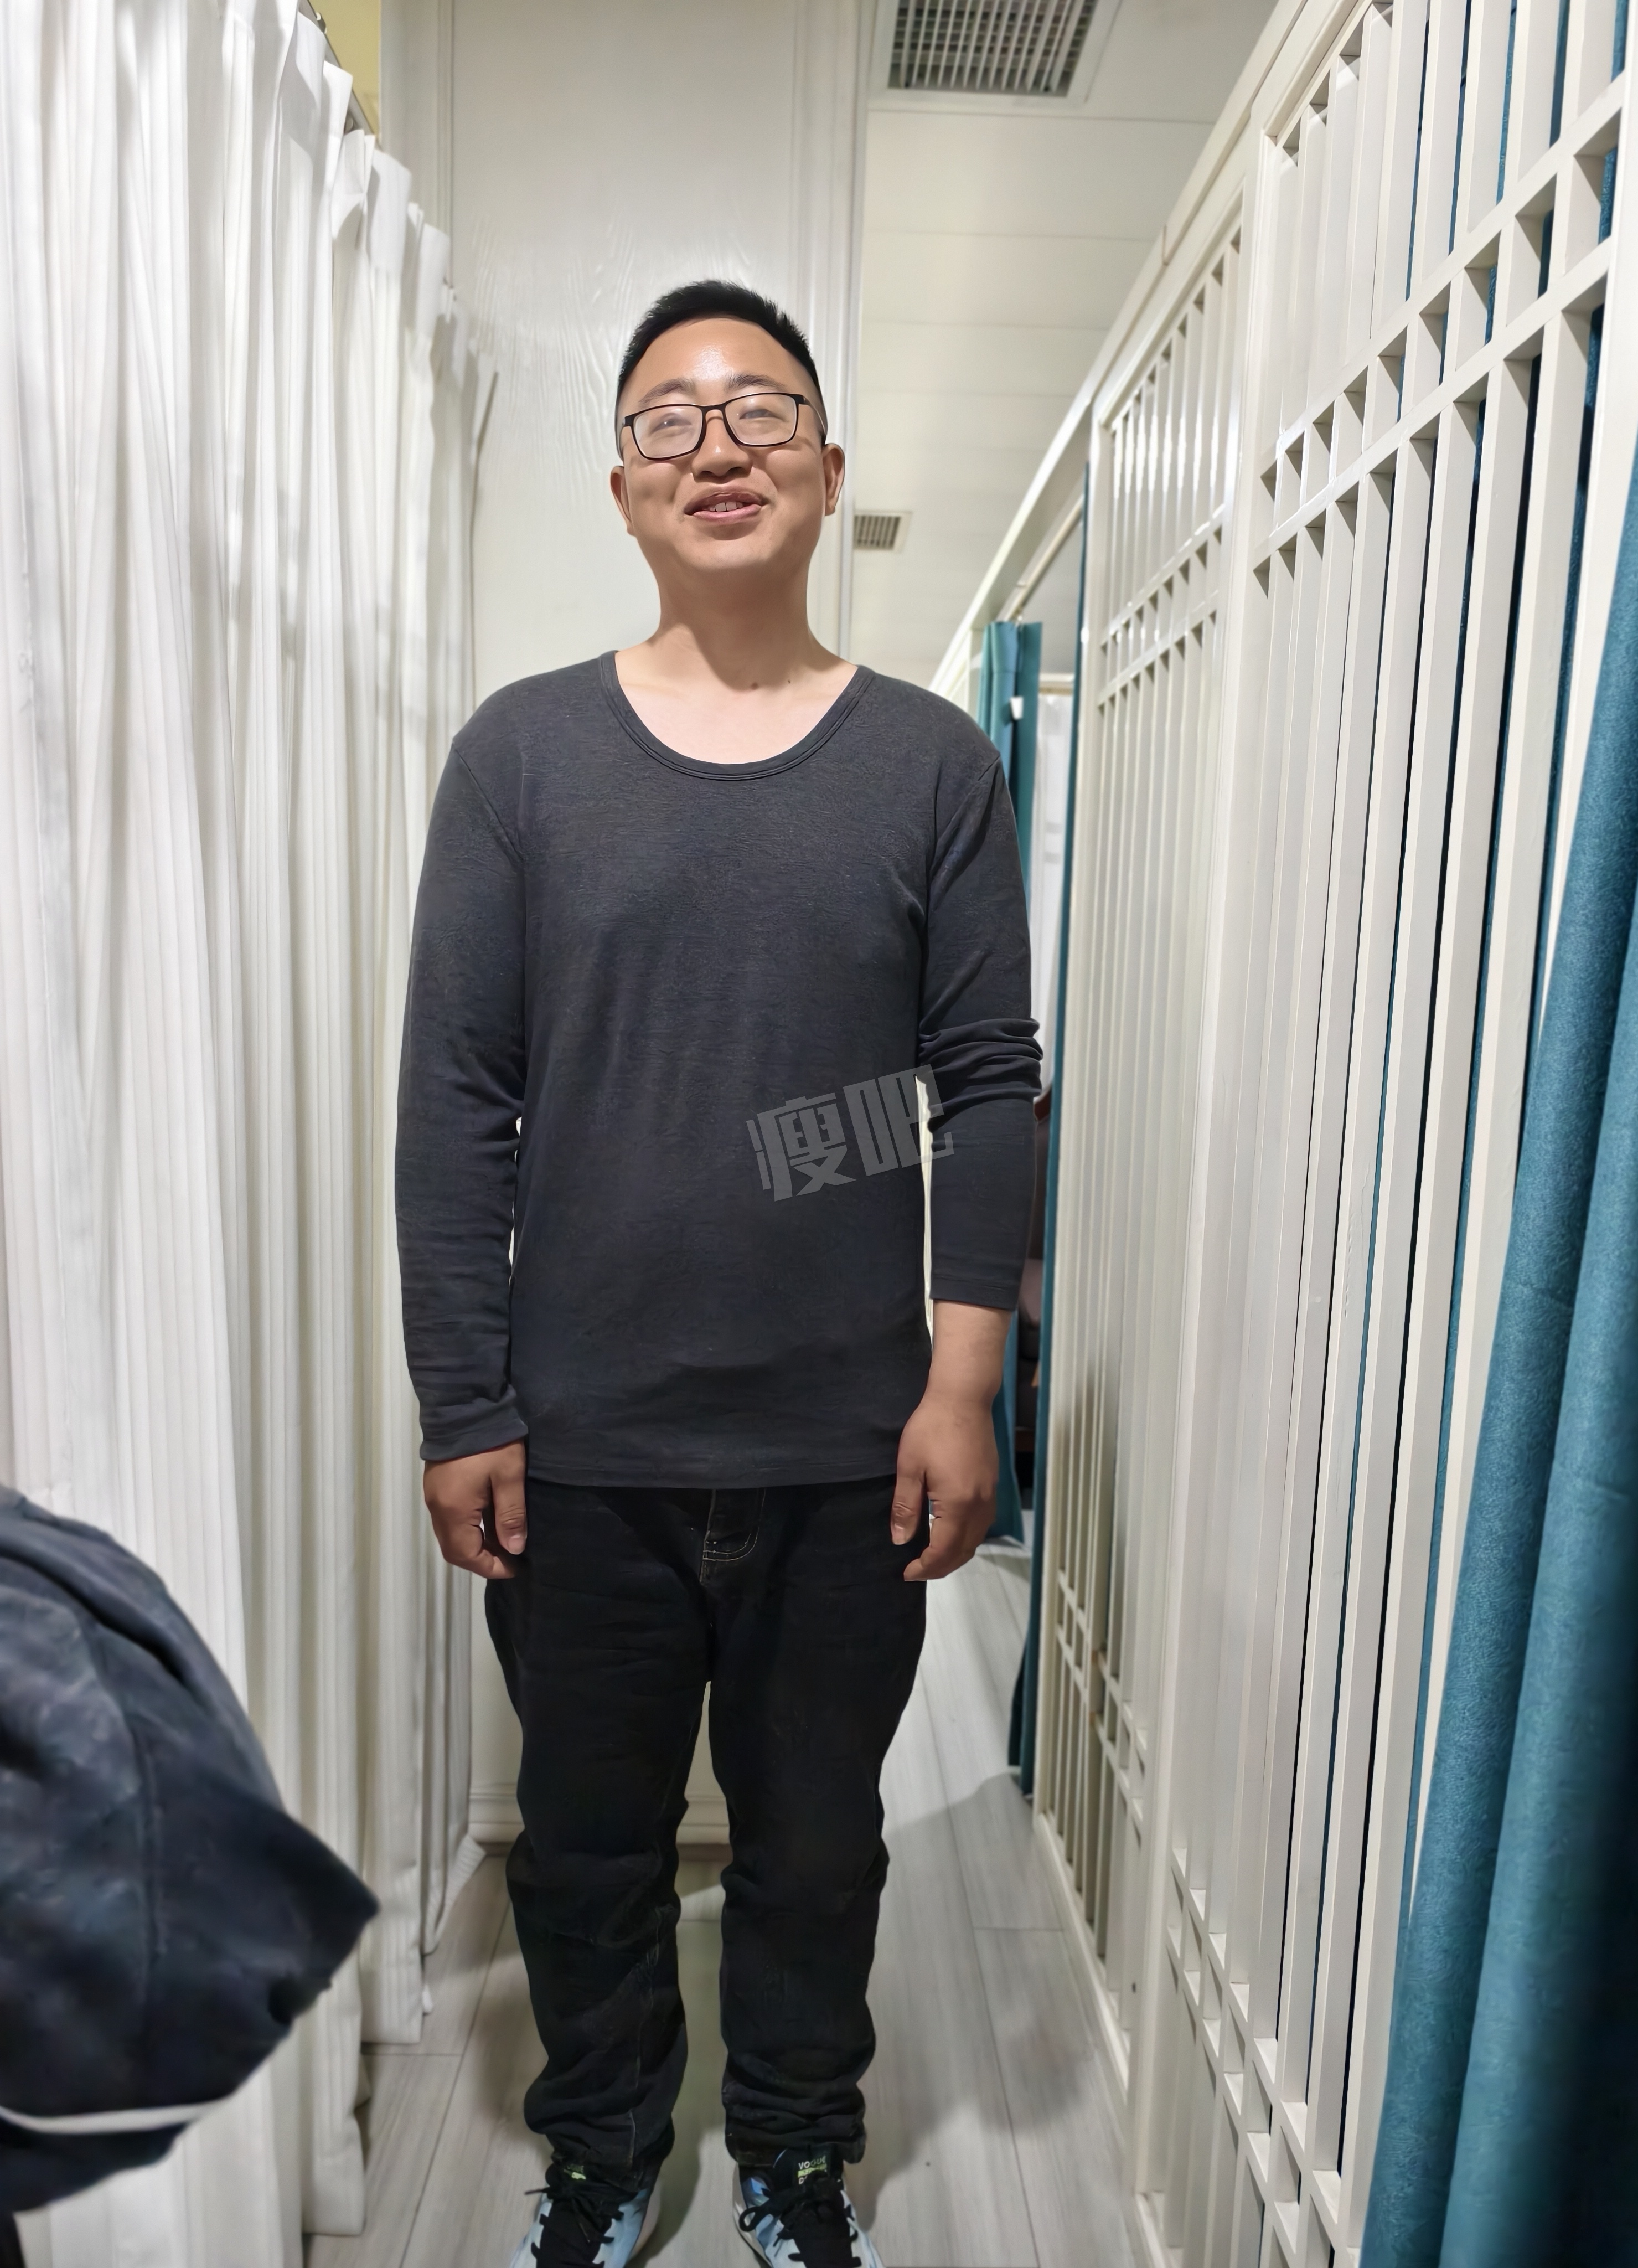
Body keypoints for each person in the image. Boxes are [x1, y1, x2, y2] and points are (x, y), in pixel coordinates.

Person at [397, 277, 1039, 2268]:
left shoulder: (932, 765)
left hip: (847, 1446)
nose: (719, 447)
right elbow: (459, 1099)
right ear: (621, 487)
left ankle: (792, 2151)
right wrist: (464, 1399)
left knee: (817, 1850)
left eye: (761, 409)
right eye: (668, 420)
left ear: (828, 469)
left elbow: (985, 1086)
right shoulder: (521, 758)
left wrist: (961, 1386)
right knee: (590, 1852)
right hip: (581, 1446)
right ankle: (602, 2152)